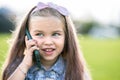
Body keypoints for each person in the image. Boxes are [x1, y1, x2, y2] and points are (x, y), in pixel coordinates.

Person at [2, 2, 91, 80]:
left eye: (55, 34)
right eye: (39, 34)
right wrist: (24, 65)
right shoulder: (17, 67)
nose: (48, 42)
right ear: (27, 36)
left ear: (66, 37)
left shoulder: (76, 70)